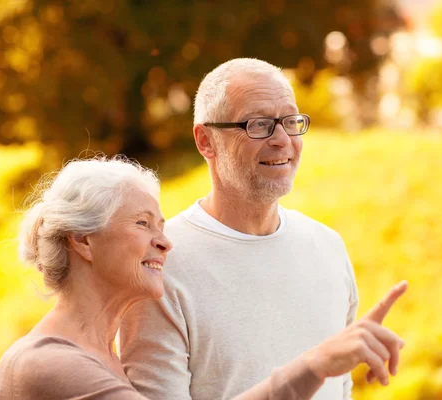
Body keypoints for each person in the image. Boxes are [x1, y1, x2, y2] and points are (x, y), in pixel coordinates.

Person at [0, 156, 407, 400]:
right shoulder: (51, 365)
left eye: (162, 226)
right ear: (83, 241)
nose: (165, 243)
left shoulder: (103, 357)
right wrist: (314, 364)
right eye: (142, 224)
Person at [118, 58, 407, 400]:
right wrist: (313, 366)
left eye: (289, 121)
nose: (283, 139)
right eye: (259, 125)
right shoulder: (160, 261)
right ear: (205, 141)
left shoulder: (328, 247)